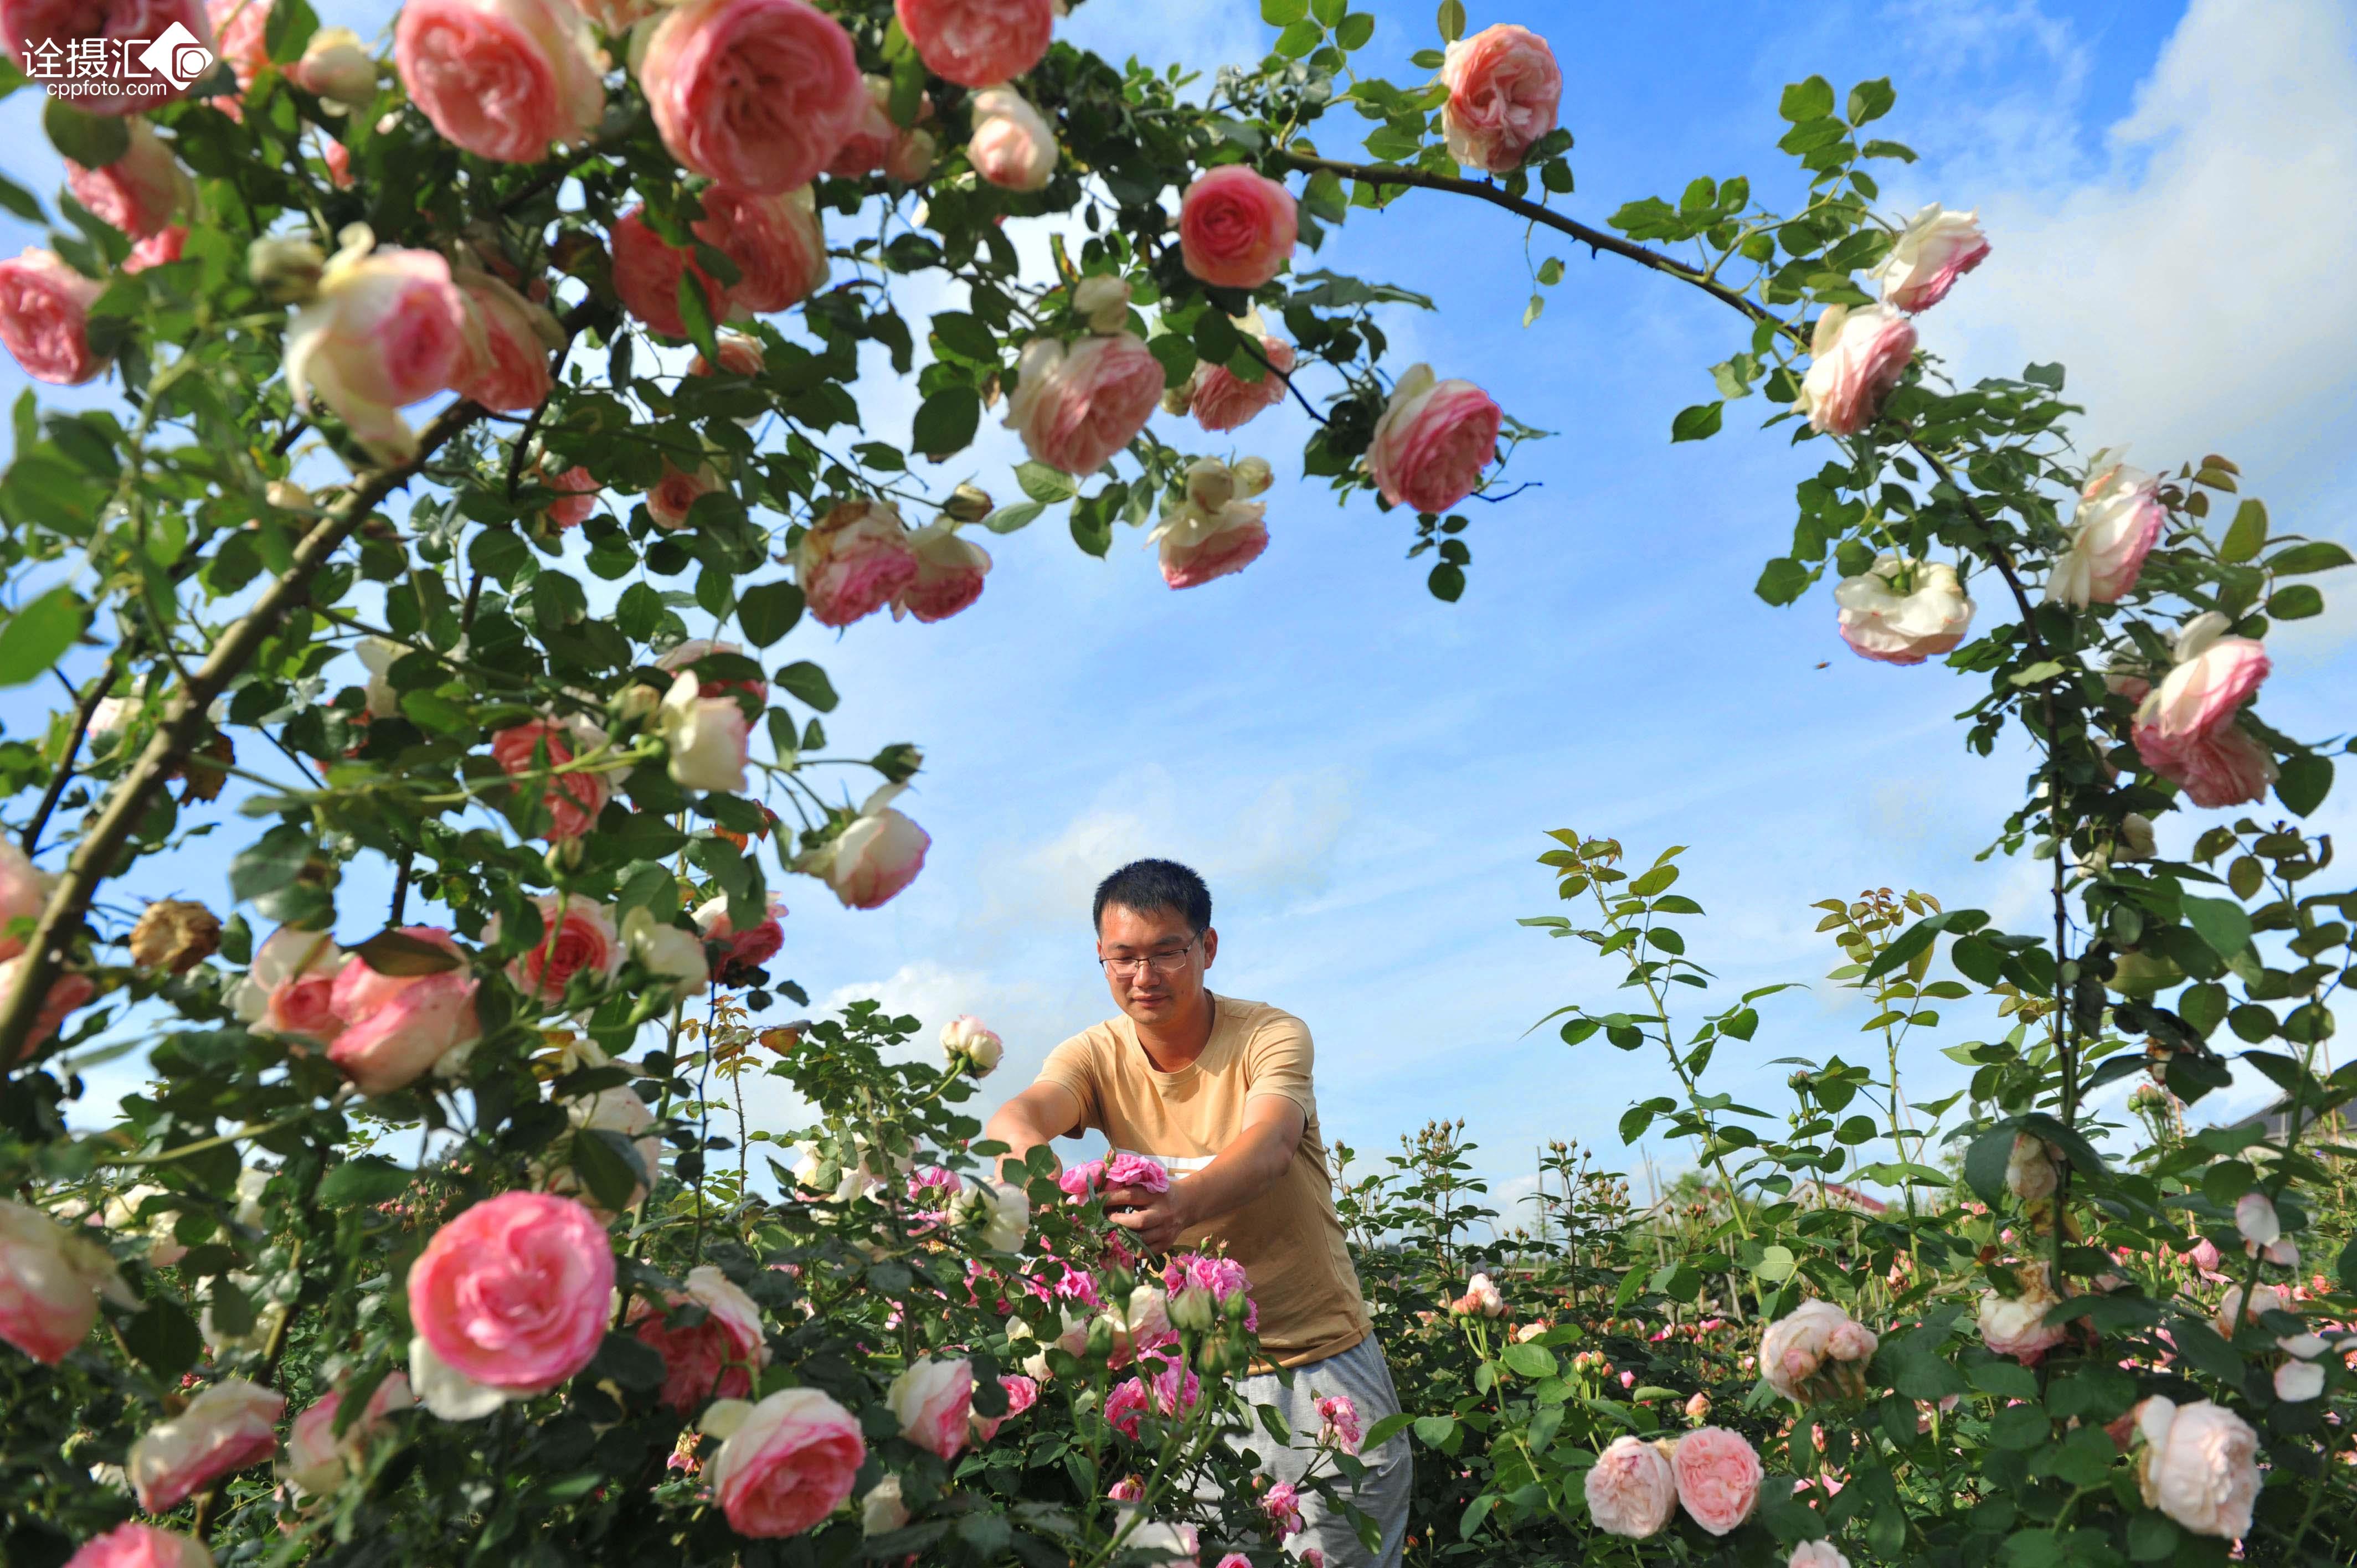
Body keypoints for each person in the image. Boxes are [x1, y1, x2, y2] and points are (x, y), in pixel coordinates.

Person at [983, 858, 1411, 1567]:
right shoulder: (1094, 1053)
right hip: (1190, 1384)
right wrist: (1051, 1189)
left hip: (1317, 1362)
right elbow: (1016, 1118)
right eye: (1122, 956)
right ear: (1100, 957)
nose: (1142, 976)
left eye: (1165, 952)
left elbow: (1269, 1144)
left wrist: (1179, 1205)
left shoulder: (1270, 1035)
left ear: (1206, 948)